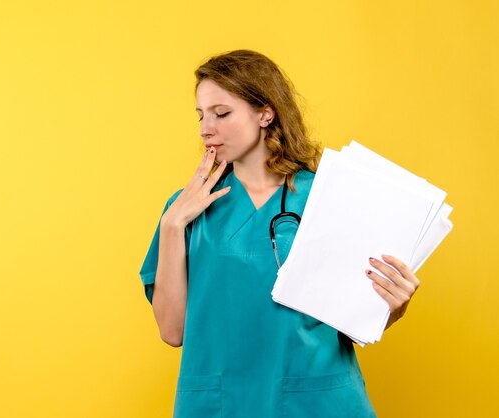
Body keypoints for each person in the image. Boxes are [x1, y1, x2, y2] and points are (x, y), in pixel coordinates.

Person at [139, 50, 420, 418]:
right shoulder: (185, 208)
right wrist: (172, 226)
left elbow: (357, 319)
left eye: (222, 113)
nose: (206, 128)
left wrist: (394, 306)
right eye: (201, 115)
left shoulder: (326, 196)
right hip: (222, 404)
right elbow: (173, 331)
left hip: (315, 398)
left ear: (265, 114)